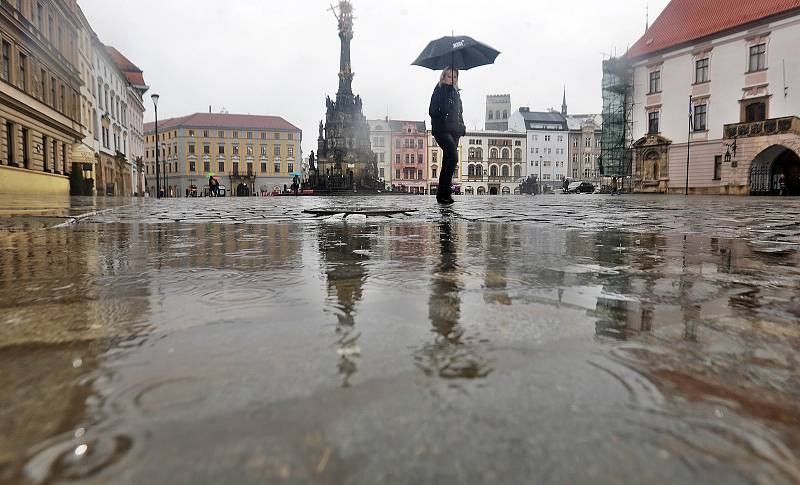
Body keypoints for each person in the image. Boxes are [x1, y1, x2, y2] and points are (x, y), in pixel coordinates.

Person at [429, 67, 466, 204]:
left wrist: (462, 126)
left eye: (455, 77)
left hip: (454, 131)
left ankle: (442, 194)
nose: (452, 79)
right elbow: (432, 111)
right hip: (441, 130)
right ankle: (445, 189)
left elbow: (459, 112)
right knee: (453, 157)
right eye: (449, 76)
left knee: (447, 161)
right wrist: (444, 106)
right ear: (443, 77)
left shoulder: (456, 93)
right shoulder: (439, 90)